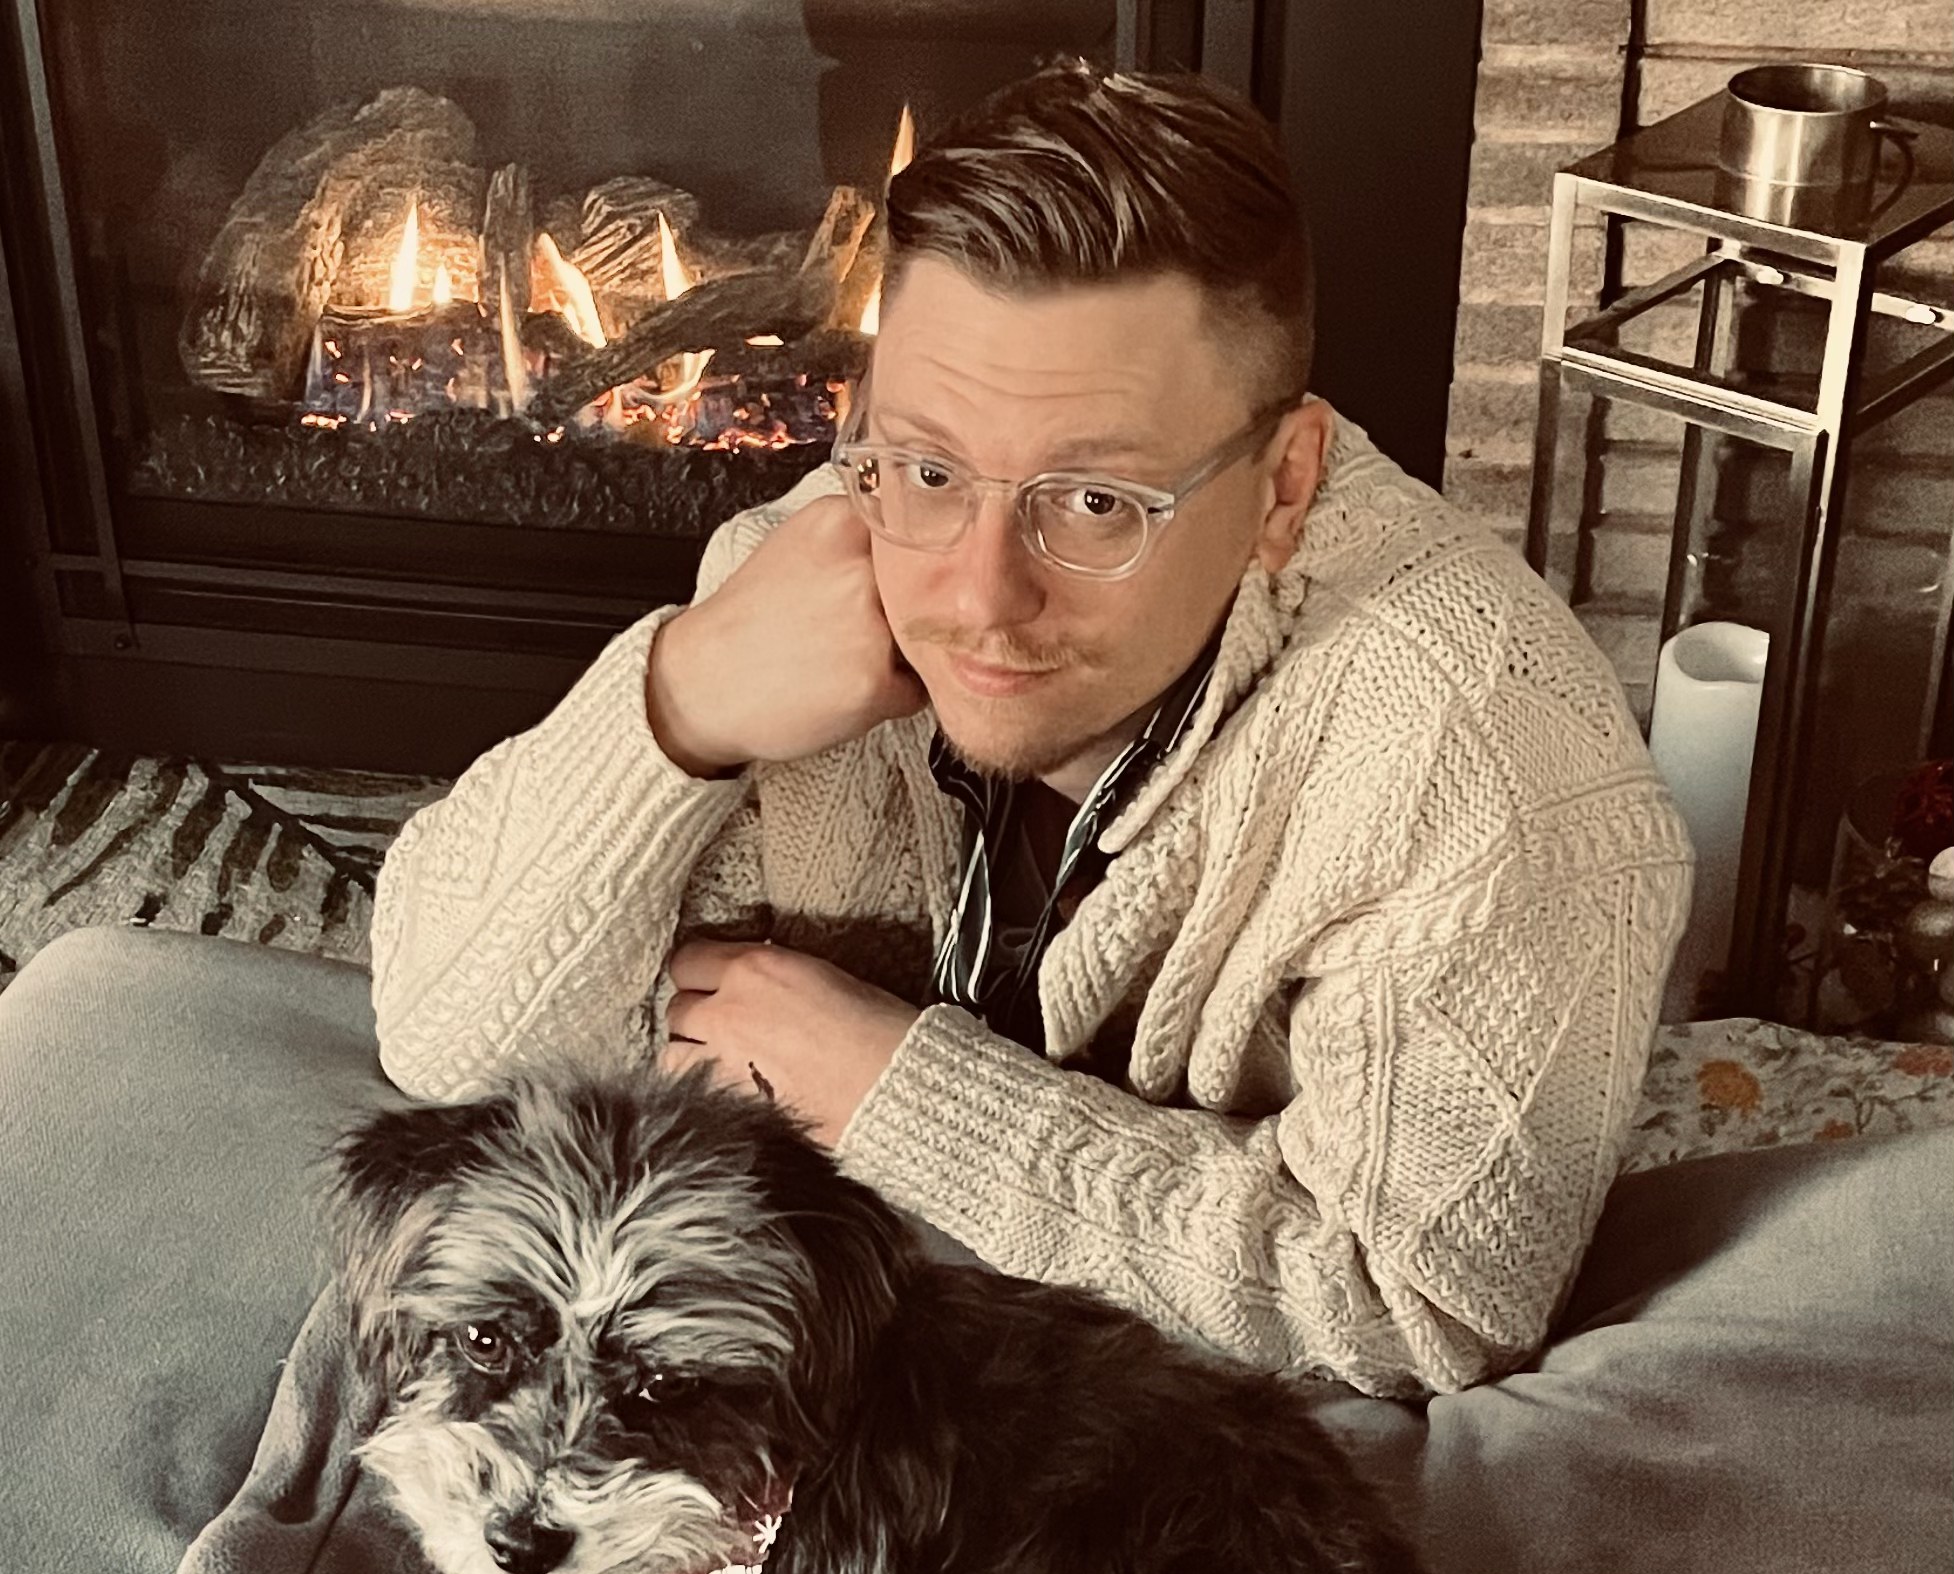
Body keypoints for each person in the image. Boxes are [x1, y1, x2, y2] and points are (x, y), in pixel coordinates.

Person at [369, 61, 1692, 1398]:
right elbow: (446, 1039)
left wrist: (887, 1088)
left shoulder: (1485, 760)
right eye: (931, 466)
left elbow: (1422, 1310)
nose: (975, 598)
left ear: (1282, 485)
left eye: (1098, 501)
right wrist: (679, 702)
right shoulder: (813, 575)